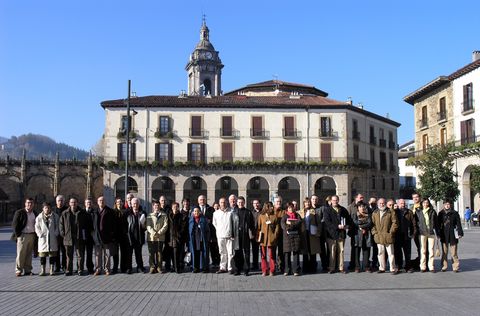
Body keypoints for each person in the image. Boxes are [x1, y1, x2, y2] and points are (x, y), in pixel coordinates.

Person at [59, 197, 92, 276]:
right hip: (68, 237)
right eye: (72, 202)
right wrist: (63, 234)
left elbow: (87, 225)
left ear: (77, 203)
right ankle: (68, 270)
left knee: (80, 255)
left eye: (75, 202)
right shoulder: (64, 213)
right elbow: (61, 225)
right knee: (69, 255)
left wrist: (84, 236)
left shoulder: (82, 212)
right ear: (69, 203)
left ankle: (80, 270)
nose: (73, 204)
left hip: (79, 237)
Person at [323, 195, 351, 274]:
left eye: (336, 200)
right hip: (331, 234)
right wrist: (337, 226)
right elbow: (327, 222)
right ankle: (331, 268)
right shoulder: (327, 210)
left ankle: (341, 267)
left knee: (341, 251)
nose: (335, 202)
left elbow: (348, 220)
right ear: (331, 201)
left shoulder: (343, 210)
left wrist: (347, 226)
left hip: (341, 234)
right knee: (332, 251)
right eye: (334, 200)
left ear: (338, 201)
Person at [371, 198, 398, 274]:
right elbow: (372, 224)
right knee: (380, 253)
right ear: (377, 204)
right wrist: (374, 233)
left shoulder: (390, 212)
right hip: (379, 236)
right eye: (380, 203)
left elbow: (395, 223)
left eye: (383, 203)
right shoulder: (375, 213)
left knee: (391, 254)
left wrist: (391, 232)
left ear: (385, 203)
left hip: (388, 236)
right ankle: (382, 268)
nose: (382, 204)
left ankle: (392, 268)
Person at [12, 197, 38, 276]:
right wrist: (18, 235)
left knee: (29, 253)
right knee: (21, 253)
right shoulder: (20, 212)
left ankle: (28, 270)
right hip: (22, 235)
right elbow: (14, 224)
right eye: (28, 203)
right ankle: (18, 270)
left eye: (31, 203)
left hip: (32, 235)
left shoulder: (35, 213)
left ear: (33, 204)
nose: (29, 204)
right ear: (25, 204)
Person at [92, 196, 116, 276]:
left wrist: (112, 234)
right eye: (100, 200)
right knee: (97, 254)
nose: (101, 202)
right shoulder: (94, 212)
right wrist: (93, 234)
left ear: (105, 202)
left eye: (102, 200)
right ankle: (98, 269)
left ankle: (107, 269)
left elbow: (113, 224)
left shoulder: (110, 211)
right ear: (97, 202)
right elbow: (91, 224)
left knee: (107, 254)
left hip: (107, 236)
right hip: (97, 236)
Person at [35, 202, 59, 276]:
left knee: (52, 255)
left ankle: (52, 270)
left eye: (48, 208)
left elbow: (58, 226)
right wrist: (40, 234)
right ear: (43, 209)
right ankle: (43, 270)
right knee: (42, 255)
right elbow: (37, 227)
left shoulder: (55, 216)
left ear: (50, 208)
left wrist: (56, 233)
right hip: (43, 239)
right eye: (45, 208)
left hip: (52, 238)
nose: (47, 209)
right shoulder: (39, 217)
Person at [298, 197, 321, 274]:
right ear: (303, 203)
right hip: (304, 233)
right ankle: (305, 268)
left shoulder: (313, 212)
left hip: (312, 233)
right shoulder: (300, 212)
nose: (307, 204)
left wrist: (318, 231)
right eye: (306, 202)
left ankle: (313, 267)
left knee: (312, 251)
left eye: (308, 202)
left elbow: (319, 222)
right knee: (305, 251)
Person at [438, 201, 463, 272]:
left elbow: (458, 224)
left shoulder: (455, 213)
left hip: (453, 234)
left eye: (448, 204)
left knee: (454, 252)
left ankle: (455, 267)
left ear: (450, 205)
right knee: (444, 252)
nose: (447, 205)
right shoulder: (440, 213)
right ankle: (444, 266)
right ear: (443, 205)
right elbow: (438, 224)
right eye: (445, 204)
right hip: (444, 234)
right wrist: (438, 233)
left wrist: (460, 233)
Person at [124, 197, 147, 274]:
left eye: (137, 203)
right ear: (131, 204)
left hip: (139, 237)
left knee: (138, 254)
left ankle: (140, 267)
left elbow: (145, 226)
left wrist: (144, 226)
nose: (135, 205)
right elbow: (124, 225)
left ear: (139, 204)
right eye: (134, 203)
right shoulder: (127, 213)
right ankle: (129, 268)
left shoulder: (143, 213)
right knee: (129, 254)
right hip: (130, 237)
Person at [146, 199, 169, 274]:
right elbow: (148, 226)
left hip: (160, 237)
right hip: (151, 238)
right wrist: (154, 233)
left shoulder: (164, 215)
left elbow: (165, 226)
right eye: (155, 205)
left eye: (158, 205)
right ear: (153, 206)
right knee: (151, 253)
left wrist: (159, 233)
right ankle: (152, 267)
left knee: (159, 253)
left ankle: (159, 267)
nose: (156, 207)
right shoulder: (149, 215)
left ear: (160, 206)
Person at [257, 202, 280, 276]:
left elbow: (277, 227)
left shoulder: (274, 216)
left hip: (271, 238)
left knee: (271, 255)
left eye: (272, 206)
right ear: (266, 207)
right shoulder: (261, 216)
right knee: (263, 255)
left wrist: (275, 235)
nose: (271, 208)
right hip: (263, 238)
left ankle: (272, 270)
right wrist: (258, 237)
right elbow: (259, 227)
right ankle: (264, 270)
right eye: (270, 206)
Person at [213, 197, 234, 274]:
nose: (223, 204)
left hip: (229, 236)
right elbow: (214, 224)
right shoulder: (215, 213)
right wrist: (219, 231)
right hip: (220, 235)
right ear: (219, 203)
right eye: (221, 202)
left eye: (224, 202)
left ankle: (230, 267)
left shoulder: (231, 212)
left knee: (230, 253)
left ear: (227, 203)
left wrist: (232, 233)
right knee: (222, 252)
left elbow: (233, 223)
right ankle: (222, 267)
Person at [417, 198, 439, 273]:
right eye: (424, 203)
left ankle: (431, 266)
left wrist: (438, 233)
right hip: (422, 233)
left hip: (431, 232)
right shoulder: (418, 211)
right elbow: (416, 222)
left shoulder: (432, 211)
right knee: (423, 250)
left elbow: (436, 223)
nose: (425, 204)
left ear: (428, 203)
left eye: (427, 202)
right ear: (421, 203)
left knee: (431, 250)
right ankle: (423, 266)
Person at [281, 202, 303, 276]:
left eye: (292, 207)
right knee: (287, 254)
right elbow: (283, 226)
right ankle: (287, 270)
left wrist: (290, 224)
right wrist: (291, 225)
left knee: (296, 254)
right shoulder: (284, 216)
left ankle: (295, 270)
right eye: (289, 208)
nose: (291, 209)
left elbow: (299, 222)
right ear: (287, 209)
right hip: (287, 238)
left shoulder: (297, 215)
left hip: (296, 237)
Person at [395, 199, 416, 273]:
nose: (403, 204)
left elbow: (413, 223)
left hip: (407, 235)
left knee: (407, 252)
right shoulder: (395, 212)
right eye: (401, 203)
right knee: (397, 252)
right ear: (398, 204)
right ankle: (398, 266)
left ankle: (408, 266)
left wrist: (414, 232)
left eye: (404, 203)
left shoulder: (409, 212)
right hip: (397, 235)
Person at [198, 195, 219, 269]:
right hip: (199, 234)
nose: (202, 201)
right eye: (201, 199)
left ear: (206, 200)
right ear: (198, 201)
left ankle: (207, 265)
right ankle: (200, 265)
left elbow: (214, 220)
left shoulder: (210, 209)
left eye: (203, 199)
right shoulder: (195, 209)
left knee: (208, 249)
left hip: (208, 233)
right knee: (200, 250)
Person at [350, 202, 372, 272]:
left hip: (366, 235)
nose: (362, 208)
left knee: (366, 251)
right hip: (357, 235)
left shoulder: (368, 215)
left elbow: (369, 223)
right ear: (358, 208)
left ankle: (366, 266)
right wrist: (361, 226)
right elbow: (354, 222)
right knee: (357, 251)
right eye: (360, 207)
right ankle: (357, 267)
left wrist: (361, 227)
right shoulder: (354, 214)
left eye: (363, 206)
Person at [168, 202, 189, 273]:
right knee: (172, 253)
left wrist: (178, 234)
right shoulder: (169, 215)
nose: (175, 208)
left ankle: (177, 268)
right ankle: (174, 267)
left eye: (176, 206)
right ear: (172, 207)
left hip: (178, 238)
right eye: (174, 206)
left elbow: (183, 227)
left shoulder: (182, 216)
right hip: (170, 238)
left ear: (178, 207)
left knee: (177, 253)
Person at [189, 207, 210, 273]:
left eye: (197, 211)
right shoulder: (191, 220)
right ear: (192, 212)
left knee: (203, 253)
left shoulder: (203, 219)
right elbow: (189, 231)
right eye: (195, 211)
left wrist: (207, 238)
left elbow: (207, 230)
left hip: (202, 239)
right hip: (194, 239)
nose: (196, 212)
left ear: (200, 212)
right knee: (195, 253)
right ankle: (195, 267)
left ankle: (204, 267)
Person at [347, 194, 364, 271]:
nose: (362, 199)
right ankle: (353, 264)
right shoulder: (350, 207)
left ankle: (358, 265)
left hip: (363, 231)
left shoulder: (364, 206)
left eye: (362, 198)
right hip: (354, 231)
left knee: (360, 248)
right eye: (360, 197)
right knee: (354, 248)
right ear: (355, 198)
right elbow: (347, 218)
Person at [313, 195, 329, 272]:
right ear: (311, 200)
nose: (314, 200)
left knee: (322, 250)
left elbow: (324, 218)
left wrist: (319, 224)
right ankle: (313, 266)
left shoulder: (322, 208)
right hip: (312, 233)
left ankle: (325, 266)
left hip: (320, 233)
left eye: (316, 199)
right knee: (313, 250)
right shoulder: (309, 209)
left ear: (318, 200)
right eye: (313, 199)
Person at [52, 195, 67, 273]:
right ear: (56, 201)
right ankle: (57, 267)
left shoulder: (67, 210)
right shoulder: (53, 210)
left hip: (64, 234)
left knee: (64, 251)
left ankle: (64, 266)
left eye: (61, 200)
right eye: (59, 200)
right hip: (56, 234)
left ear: (64, 201)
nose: (60, 202)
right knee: (56, 251)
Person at [227, 194, 240, 275]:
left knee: (237, 252)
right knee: (229, 252)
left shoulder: (239, 210)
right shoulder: (227, 210)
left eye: (234, 199)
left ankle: (236, 267)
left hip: (237, 234)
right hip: (228, 235)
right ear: (229, 201)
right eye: (231, 200)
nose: (233, 201)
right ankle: (230, 267)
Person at [112, 197, 124, 274]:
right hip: (115, 236)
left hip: (123, 235)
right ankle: (115, 267)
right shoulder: (113, 212)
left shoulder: (125, 212)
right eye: (118, 202)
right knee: (115, 253)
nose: (119, 203)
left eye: (120, 202)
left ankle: (123, 267)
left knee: (123, 253)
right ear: (115, 204)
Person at [274, 196, 285, 274]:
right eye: (277, 202)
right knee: (273, 251)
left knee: (281, 251)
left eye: (280, 202)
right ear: (274, 203)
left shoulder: (284, 211)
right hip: (273, 235)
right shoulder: (271, 211)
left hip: (282, 234)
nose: (278, 203)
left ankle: (281, 266)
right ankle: (273, 266)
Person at [84, 198, 96, 274]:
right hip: (83, 235)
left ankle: (90, 267)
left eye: (90, 203)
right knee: (81, 253)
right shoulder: (82, 212)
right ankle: (80, 267)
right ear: (85, 204)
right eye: (87, 203)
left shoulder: (94, 212)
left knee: (89, 252)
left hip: (91, 235)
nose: (89, 204)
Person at [250, 199, 262, 271]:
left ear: (260, 204)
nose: (256, 205)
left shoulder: (262, 213)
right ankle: (255, 265)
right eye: (254, 203)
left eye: (257, 203)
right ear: (253, 205)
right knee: (255, 250)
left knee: (263, 251)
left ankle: (263, 265)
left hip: (261, 233)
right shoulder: (251, 213)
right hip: (254, 234)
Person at [367, 196, 378, 271]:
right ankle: (367, 264)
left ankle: (374, 264)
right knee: (367, 248)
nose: (373, 203)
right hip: (367, 231)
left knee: (375, 249)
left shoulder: (377, 210)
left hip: (375, 231)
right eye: (372, 201)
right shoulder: (366, 209)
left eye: (374, 201)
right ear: (369, 202)